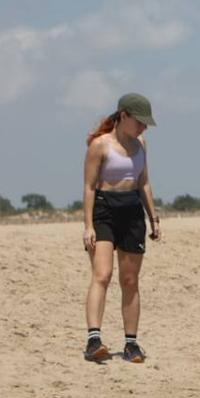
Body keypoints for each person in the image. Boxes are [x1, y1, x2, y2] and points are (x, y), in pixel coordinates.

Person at [81, 93, 161, 362]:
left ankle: (131, 344)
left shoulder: (141, 144)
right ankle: (94, 341)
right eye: (139, 121)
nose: (143, 127)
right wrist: (89, 226)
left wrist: (153, 218)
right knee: (102, 275)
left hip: (132, 210)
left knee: (130, 280)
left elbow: (144, 182)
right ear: (123, 116)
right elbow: (89, 187)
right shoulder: (100, 145)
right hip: (104, 210)